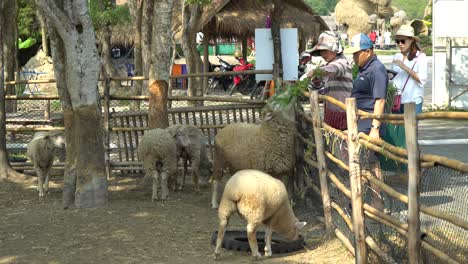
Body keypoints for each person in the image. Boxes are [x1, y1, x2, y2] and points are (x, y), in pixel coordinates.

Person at [344, 33, 388, 210]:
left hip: (370, 124)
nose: (354, 57)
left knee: (372, 163)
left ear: (368, 51)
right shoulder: (364, 68)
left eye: (357, 53)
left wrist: (375, 128)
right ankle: (358, 197)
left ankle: (377, 202)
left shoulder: (377, 69)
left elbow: (380, 100)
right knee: (361, 162)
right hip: (360, 124)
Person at [306, 31, 353, 130]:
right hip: (331, 112)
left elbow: (334, 68)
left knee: (341, 142)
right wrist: (317, 81)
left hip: (342, 113)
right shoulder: (328, 65)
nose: (323, 54)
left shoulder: (342, 63)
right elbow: (322, 82)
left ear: (335, 49)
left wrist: (316, 71)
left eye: (326, 50)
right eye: (321, 51)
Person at [391, 24, 428, 114]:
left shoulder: (420, 57)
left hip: (413, 101)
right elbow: (394, 78)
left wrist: (403, 66)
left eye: (403, 41)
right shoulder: (397, 56)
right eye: (397, 41)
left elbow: (421, 79)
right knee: (397, 127)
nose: (400, 44)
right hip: (397, 101)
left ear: (411, 40)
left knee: (411, 128)